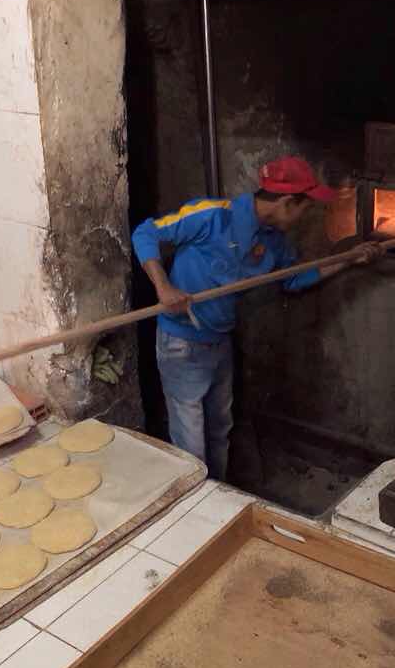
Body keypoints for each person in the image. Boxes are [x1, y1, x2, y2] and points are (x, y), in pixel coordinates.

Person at [131, 155, 382, 479]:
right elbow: (145, 234)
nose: (306, 216)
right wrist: (163, 287)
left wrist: (348, 258)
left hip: (220, 342)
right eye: (306, 208)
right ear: (288, 203)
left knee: (220, 430)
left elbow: (295, 277)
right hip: (182, 344)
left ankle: (218, 496)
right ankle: (195, 504)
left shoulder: (274, 243)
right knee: (190, 447)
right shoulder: (211, 216)